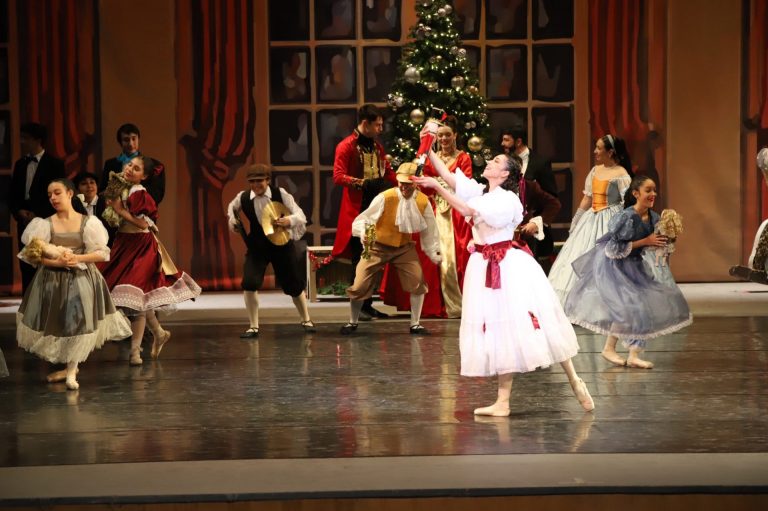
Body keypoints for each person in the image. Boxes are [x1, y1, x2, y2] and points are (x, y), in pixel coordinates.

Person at [412, 134, 594, 416]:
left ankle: (574, 379)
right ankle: (502, 402)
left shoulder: (507, 199)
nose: (490, 161)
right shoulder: (482, 192)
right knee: (499, 330)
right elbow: (449, 176)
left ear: (505, 173)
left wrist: (435, 186)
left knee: (537, 321)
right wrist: (429, 144)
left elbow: (466, 209)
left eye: (496, 161)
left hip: (508, 267)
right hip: (485, 265)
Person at [564, 176, 692, 369]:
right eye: (648, 190)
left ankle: (632, 354)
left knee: (641, 308)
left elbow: (653, 244)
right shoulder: (626, 217)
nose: (653, 194)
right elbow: (615, 248)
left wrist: (665, 239)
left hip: (633, 265)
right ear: (635, 193)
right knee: (628, 307)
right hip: (612, 265)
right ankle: (611, 349)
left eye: (654, 190)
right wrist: (646, 241)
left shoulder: (654, 218)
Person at [16, 178, 132, 390]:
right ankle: (69, 367)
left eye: (57, 193)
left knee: (78, 322)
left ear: (70, 193)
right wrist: (57, 262)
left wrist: (77, 258)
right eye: (50, 195)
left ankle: (71, 370)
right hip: (53, 279)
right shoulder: (45, 224)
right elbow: (34, 256)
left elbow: (101, 253)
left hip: (81, 278)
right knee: (59, 323)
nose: (53, 198)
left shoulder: (88, 222)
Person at [97, 156, 201, 365]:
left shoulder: (139, 193)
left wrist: (120, 210)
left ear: (143, 177)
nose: (130, 169)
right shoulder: (122, 187)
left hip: (141, 247)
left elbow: (143, 224)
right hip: (123, 244)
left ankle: (135, 352)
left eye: (136, 169)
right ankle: (159, 333)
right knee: (135, 298)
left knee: (137, 298)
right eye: (129, 165)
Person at [381, 116, 472, 318]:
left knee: (452, 256)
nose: (444, 139)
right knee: (426, 253)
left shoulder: (463, 157)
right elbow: (420, 178)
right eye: (440, 135)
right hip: (432, 207)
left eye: (448, 134)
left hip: (454, 211)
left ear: (455, 135)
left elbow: (464, 183)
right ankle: (429, 304)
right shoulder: (430, 156)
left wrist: (437, 182)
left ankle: (453, 302)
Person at [340, 162, 441, 336]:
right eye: (401, 183)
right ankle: (352, 322)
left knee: (417, 281)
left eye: (408, 184)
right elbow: (364, 219)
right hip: (377, 246)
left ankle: (415, 324)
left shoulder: (423, 201)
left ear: (416, 183)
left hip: (404, 247)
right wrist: (364, 233)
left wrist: (433, 252)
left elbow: (430, 230)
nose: (404, 187)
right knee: (360, 284)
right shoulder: (385, 197)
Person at [226, 164, 315, 338]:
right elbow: (232, 209)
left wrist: (289, 220)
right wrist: (233, 222)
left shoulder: (280, 193)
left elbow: (301, 215)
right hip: (257, 246)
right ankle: (253, 326)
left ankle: (306, 319)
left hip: (281, 244)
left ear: (267, 180)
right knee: (249, 282)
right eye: (252, 181)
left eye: (259, 181)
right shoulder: (243, 197)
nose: (255, 185)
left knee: (293, 284)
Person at [548, 134, 633, 304]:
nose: (595, 151)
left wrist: (623, 225)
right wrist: (577, 217)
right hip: (591, 218)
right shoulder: (595, 170)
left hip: (610, 219)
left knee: (603, 259)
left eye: (599, 148)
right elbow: (588, 197)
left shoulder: (621, 174)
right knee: (577, 254)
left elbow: (627, 202)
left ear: (610, 152)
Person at [332, 104, 397, 320]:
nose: (380, 128)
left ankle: (367, 305)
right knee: (360, 258)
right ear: (365, 123)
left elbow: (387, 172)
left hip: (376, 210)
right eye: (377, 125)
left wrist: (403, 185)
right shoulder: (346, 146)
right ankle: (358, 306)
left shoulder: (377, 147)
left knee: (373, 257)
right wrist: (362, 183)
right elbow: (338, 176)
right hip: (357, 212)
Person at [10, 122, 66, 292]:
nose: (22, 142)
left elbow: (59, 193)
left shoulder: (55, 164)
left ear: (38, 140)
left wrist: (38, 213)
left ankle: (47, 301)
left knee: (45, 261)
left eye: (25, 138)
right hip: (24, 220)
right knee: (26, 261)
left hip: (46, 219)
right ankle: (28, 302)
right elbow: (12, 194)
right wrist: (19, 211)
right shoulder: (20, 164)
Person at [100, 123, 166, 206]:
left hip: (142, 210)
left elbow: (157, 195)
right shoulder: (110, 164)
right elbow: (103, 190)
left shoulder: (154, 165)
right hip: (114, 210)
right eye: (126, 140)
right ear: (120, 142)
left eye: (134, 139)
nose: (131, 144)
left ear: (138, 139)